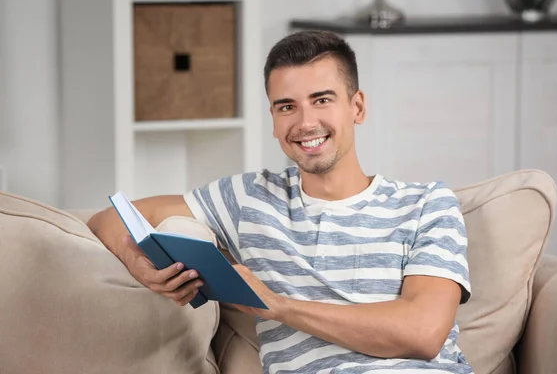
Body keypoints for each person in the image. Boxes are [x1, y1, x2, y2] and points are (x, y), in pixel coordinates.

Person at [88, 30, 473, 374]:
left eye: (322, 100)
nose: (305, 122)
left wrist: (277, 306)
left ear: (357, 107)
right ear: (273, 120)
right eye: (287, 106)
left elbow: (423, 333)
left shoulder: (427, 204)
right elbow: (111, 218)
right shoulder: (249, 199)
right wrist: (140, 267)